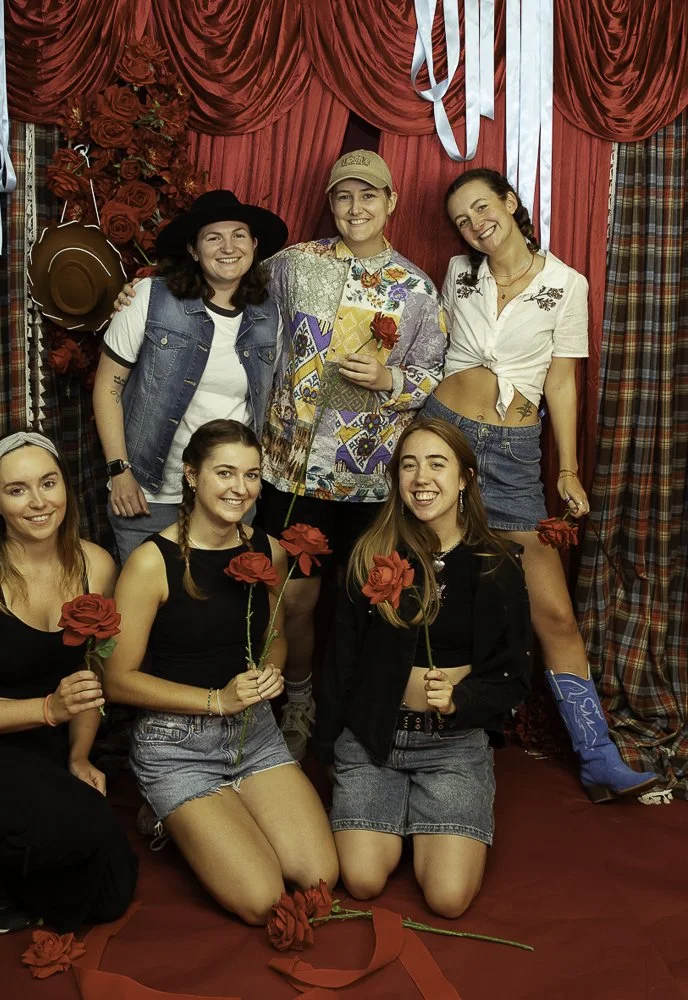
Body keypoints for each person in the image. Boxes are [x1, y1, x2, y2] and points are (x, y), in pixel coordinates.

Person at [424, 167, 657, 801]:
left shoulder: (566, 284)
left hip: (512, 454)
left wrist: (568, 468)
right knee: (424, 582)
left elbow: (560, 382)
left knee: (550, 608)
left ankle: (597, 756)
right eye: (461, 220)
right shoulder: (457, 273)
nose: (474, 225)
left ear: (511, 202)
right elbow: (435, 349)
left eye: (481, 208)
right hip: (442, 438)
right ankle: (406, 731)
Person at [103, 419, 338, 925]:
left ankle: (220, 815)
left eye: (251, 475)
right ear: (191, 476)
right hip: (177, 745)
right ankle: (171, 814)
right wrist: (218, 700)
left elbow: (274, 635)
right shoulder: (151, 563)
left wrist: (271, 673)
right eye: (225, 473)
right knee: (263, 901)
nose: (241, 488)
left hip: (254, 736)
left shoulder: (266, 548)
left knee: (319, 877)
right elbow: (117, 679)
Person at [258, 150, 447, 759]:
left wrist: (390, 379)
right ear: (331, 204)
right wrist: (146, 291)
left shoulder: (415, 287)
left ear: (391, 203)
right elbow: (224, 284)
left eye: (369, 196)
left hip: (368, 478)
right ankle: (300, 697)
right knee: (293, 598)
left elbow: (433, 375)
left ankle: (359, 715)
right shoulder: (292, 266)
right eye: (344, 197)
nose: (356, 208)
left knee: (369, 601)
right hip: (291, 470)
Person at [0, 431, 138, 934]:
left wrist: (78, 756)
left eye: (48, 483)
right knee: (75, 837)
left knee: (111, 892)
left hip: (46, 742)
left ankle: (13, 839)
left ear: (65, 488)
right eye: (17, 490)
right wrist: (46, 710)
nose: (38, 502)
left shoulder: (96, 565)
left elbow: (89, 679)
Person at [315, 418, 531, 918]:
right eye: (408, 465)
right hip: (375, 739)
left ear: (464, 479)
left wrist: (462, 700)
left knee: (448, 899)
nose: (421, 477)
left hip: (452, 746)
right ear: (396, 479)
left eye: (437, 464)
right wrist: (327, 746)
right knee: (364, 880)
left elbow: (514, 675)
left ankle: (430, 818)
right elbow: (339, 659)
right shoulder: (371, 554)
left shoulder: (497, 563)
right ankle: (396, 817)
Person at [93, 189, 288, 565]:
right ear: (195, 250)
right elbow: (107, 389)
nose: (228, 247)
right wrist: (120, 471)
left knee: (215, 612)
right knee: (148, 609)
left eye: (239, 235)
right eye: (213, 237)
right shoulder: (149, 298)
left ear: (254, 245)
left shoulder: (269, 317)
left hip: (230, 497)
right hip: (148, 493)